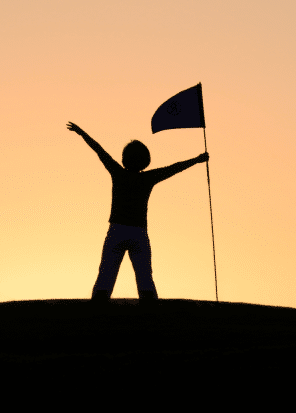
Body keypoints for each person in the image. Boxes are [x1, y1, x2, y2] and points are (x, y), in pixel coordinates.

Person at [66, 121, 208, 307]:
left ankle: (98, 309)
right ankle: (149, 309)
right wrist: (196, 160)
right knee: (144, 277)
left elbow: (99, 150)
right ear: (145, 161)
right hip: (138, 233)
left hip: (117, 230)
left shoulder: (118, 173)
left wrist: (81, 132)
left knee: (106, 275)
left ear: (124, 158)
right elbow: (174, 168)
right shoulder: (148, 178)